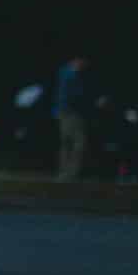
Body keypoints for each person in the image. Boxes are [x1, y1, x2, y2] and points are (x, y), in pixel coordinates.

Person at [55, 54, 94, 182]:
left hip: (67, 111)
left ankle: (67, 172)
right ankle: (70, 172)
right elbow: (73, 94)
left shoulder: (67, 73)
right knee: (76, 142)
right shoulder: (69, 74)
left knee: (69, 142)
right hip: (71, 112)